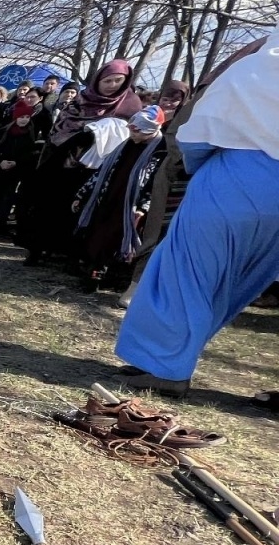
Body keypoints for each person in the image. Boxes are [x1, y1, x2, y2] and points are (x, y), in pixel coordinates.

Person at [114, 32, 279, 397]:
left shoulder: (256, 70)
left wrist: (192, 164)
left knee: (186, 273)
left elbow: (198, 133)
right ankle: (171, 357)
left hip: (236, 177)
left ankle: (165, 365)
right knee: (237, 281)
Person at [19, 59, 142, 265]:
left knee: (83, 210)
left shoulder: (131, 104)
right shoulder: (81, 100)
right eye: (107, 81)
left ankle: (71, 254)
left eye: (117, 81)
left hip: (100, 169)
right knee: (49, 205)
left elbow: (133, 136)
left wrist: (106, 131)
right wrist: (82, 136)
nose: (112, 85)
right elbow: (60, 129)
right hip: (65, 161)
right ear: (97, 81)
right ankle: (38, 249)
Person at [73, 106, 168, 291]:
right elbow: (103, 171)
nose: (133, 135)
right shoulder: (125, 145)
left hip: (131, 205)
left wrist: (144, 207)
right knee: (98, 235)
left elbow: (156, 184)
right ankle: (93, 272)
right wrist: (83, 193)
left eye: (138, 132)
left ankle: (107, 276)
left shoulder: (160, 152)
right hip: (110, 197)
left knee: (117, 240)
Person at [0, 98, 41, 233]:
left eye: (27, 117)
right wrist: (0, 162)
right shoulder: (4, 131)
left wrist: (16, 163)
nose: (24, 120)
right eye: (21, 117)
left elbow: (31, 154)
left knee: (6, 198)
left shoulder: (31, 133)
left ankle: (1, 225)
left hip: (15, 172)